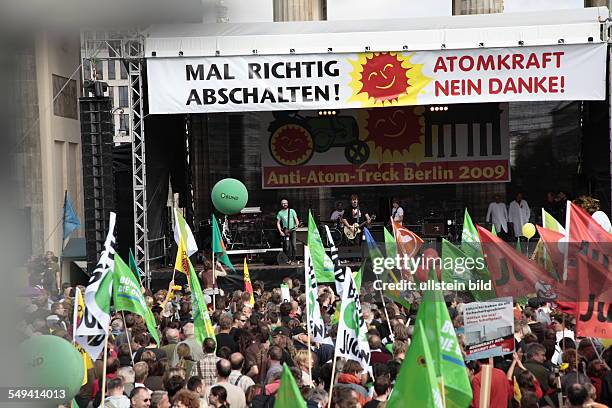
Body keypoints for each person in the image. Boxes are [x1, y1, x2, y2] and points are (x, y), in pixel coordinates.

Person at [276, 198, 300, 264]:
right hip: (285, 231)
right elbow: (278, 223)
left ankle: (293, 260)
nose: (285, 204)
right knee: (287, 246)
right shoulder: (280, 213)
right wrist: (281, 232)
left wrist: (297, 224)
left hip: (293, 230)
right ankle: (288, 260)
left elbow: (296, 219)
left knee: (294, 246)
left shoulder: (292, 211)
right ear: (281, 204)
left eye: (286, 203)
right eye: (283, 203)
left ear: (287, 203)